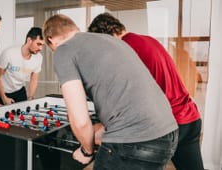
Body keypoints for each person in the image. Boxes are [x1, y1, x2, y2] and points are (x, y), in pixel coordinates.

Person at [43, 14, 178, 169]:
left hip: (135, 141)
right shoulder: (111, 40)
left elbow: (79, 120)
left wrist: (86, 151)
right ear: (76, 29)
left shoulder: (63, 50)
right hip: (168, 133)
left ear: (51, 39)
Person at [88, 12, 204, 170]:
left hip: (167, 124)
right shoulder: (149, 40)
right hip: (190, 118)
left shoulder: (125, 49)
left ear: (107, 36)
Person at [0, 27, 44, 105]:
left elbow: (34, 79)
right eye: (38, 44)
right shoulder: (9, 53)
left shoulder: (39, 57)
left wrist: (31, 97)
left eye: (42, 45)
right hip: (1, 91)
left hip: (19, 91)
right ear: (29, 40)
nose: (40, 48)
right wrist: (4, 98)